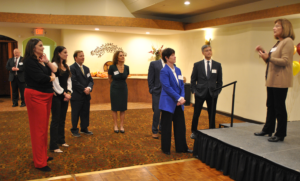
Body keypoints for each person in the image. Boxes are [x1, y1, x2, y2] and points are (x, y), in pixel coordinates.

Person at [254, 19, 295, 142]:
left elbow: (285, 61)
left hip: (280, 81)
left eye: (277, 26)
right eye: (274, 26)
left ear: (285, 28)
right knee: (270, 105)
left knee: (279, 107)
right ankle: (268, 129)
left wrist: (269, 57)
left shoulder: (288, 42)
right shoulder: (278, 43)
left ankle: (280, 133)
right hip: (271, 80)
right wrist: (264, 55)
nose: (274, 28)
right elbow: (270, 61)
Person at [23, 38, 58, 172]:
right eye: (41, 46)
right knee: (38, 130)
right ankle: (39, 162)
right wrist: (51, 78)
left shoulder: (40, 60)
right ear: (33, 48)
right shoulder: (29, 61)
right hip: (35, 96)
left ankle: (42, 155)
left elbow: (54, 70)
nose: (43, 48)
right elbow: (41, 78)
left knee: (43, 128)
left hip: (45, 95)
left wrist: (46, 61)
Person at [159, 48, 192, 155]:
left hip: (179, 103)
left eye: (174, 55)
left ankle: (182, 147)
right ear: (166, 58)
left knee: (180, 126)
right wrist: (178, 98)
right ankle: (166, 148)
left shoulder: (178, 70)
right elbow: (167, 87)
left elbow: (182, 85)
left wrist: (181, 98)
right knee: (166, 127)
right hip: (168, 103)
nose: (175, 57)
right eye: (172, 55)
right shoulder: (164, 71)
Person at [190, 45, 223, 139]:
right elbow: (193, 79)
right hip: (200, 92)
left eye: (210, 50)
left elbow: (219, 81)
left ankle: (212, 132)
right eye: (206, 51)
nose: (209, 52)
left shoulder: (217, 65)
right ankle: (194, 131)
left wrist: (217, 92)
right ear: (203, 53)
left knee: (212, 114)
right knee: (196, 113)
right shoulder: (197, 65)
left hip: (212, 94)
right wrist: (194, 91)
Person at [49, 46, 72, 153]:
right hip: (56, 96)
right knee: (55, 120)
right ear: (58, 53)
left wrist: (69, 92)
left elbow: (69, 81)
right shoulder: (53, 65)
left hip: (65, 95)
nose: (67, 54)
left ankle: (61, 140)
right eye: (65, 52)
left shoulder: (66, 66)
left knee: (62, 119)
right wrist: (63, 93)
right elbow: (55, 82)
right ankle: (53, 145)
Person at [70, 50, 94, 137]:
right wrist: (83, 89)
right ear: (75, 58)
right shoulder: (72, 68)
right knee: (75, 113)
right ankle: (74, 130)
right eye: (80, 56)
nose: (83, 57)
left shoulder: (86, 68)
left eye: (83, 56)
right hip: (77, 95)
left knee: (85, 112)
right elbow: (74, 81)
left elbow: (91, 80)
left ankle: (84, 128)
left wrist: (89, 88)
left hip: (86, 95)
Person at [108, 51, 129, 133]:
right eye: (121, 55)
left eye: (123, 55)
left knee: (123, 108)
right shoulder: (112, 67)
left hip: (123, 89)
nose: (123, 57)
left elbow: (125, 77)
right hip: (114, 89)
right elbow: (109, 79)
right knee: (115, 107)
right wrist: (114, 86)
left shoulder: (127, 67)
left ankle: (121, 126)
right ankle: (115, 125)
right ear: (117, 57)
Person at [148, 51, 164, 139]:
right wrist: (151, 89)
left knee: (165, 111)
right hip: (157, 91)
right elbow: (150, 77)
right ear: (161, 55)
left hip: (167, 92)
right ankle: (154, 130)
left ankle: (162, 128)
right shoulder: (154, 64)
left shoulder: (172, 65)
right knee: (157, 111)